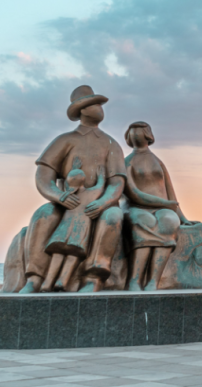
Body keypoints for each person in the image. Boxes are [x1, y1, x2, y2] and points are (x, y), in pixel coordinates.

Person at [20, 85, 127, 294]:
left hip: (99, 204)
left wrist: (103, 202)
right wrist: (59, 196)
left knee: (113, 216)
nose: (100, 108)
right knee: (44, 214)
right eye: (95, 104)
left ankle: (93, 277)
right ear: (83, 109)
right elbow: (44, 176)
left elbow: (116, 183)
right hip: (69, 202)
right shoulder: (65, 140)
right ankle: (35, 278)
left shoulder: (111, 143)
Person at [122, 121, 194, 291]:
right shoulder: (127, 162)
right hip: (136, 207)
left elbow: (170, 191)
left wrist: (181, 217)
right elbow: (132, 193)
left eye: (139, 131)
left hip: (163, 208)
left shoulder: (157, 161)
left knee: (169, 221)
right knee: (144, 221)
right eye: (133, 132)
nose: (136, 134)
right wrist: (164, 203)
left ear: (148, 135)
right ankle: (134, 280)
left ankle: (153, 281)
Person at [42, 161, 106, 291]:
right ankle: (62, 282)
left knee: (57, 254)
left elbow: (63, 185)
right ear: (83, 181)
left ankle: (47, 283)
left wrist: (73, 170)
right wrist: (101, 177)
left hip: (62, 231)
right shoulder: (91, 193)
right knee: (73, 256)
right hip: (79, 232)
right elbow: (100, 187)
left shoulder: (67, 195)